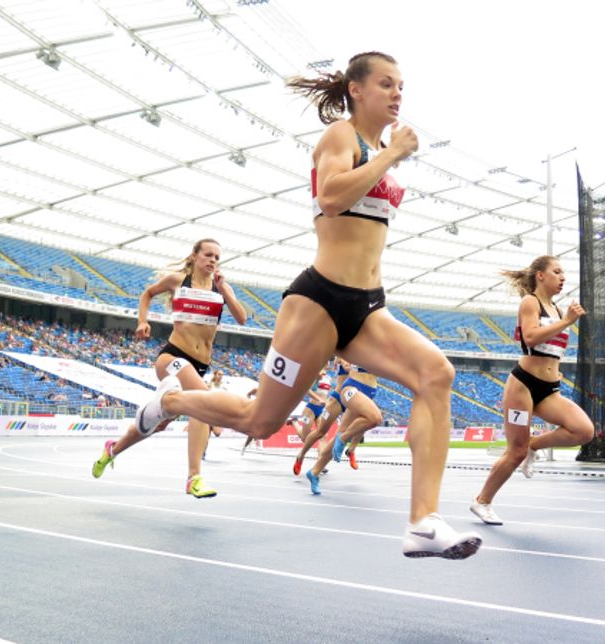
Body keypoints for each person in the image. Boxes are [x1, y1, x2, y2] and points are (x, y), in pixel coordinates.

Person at [135, 52, 480, 559]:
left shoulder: (378, 146)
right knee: (260, 421)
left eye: (401, 86)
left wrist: (386, 154)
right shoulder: (342, 136)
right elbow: (334, 197)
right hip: (318, 301)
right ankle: (171, 403)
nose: (397, 94)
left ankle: (422, 522)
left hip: (366, 306)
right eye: (386, 83)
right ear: (356, 90)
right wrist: (391, 157)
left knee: (437, 375)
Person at [92, 238, 247, 498]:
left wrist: (226, 291)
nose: (213, 260)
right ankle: (193, 477)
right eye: (208, 255)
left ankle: (113, 449)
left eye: (217, 257)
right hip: (172, 357)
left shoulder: (221, 287)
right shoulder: (178, 280)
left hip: (199, 366)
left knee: (157, 422)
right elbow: (148, 293)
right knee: (203, 403)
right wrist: (142, 321)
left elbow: (242, 318)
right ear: (195, 256)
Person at [469, 256, 595, 526]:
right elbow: (530, 337)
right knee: (514, 452)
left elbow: (551, 348)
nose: (563, 278)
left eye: (564, 273)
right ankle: (482, 502)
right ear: (540, 275)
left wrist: (555, 368)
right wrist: (567, 322)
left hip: (549, 388)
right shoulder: (531, 303)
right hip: (523, 386)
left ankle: (532, 447)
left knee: (583, 430)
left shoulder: (558, 310)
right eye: (557, 272)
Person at [303, 362, 382, 493]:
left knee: (339, 436)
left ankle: (314, 472)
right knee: (375, 419)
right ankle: (343, 439)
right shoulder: (355, 345)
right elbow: (346, 366)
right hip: (353, 387)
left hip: (369, 391)